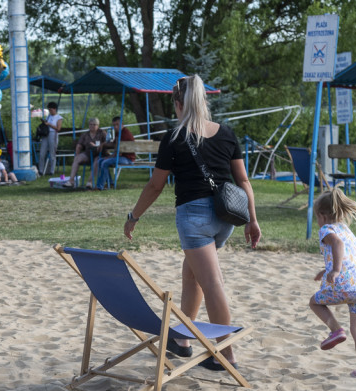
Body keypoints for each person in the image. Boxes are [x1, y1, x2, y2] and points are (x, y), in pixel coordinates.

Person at [123, 74, 260, 369]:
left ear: (178, 103)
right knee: (192, 274)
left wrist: (133, 217)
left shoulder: (173, 139)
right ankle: (183, 339)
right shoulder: (226, 133)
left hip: (194, 218)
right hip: (225, 218)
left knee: (211, 282)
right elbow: (244, 180)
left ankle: (225, 353)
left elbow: (155, 186)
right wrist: (252, 219)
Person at [309, 186, 356, 380]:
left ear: (322, 215)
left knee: (315, 302)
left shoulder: (327, 229)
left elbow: (337, 245)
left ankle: (336, 330)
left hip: (344, 285)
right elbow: (347, 256)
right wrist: (327, 269)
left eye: (317, 218)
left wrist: (335, 270)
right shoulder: (347, 229)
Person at [94, 116, 136, 190]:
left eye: (117, 124)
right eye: (114, 125)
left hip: (128, 158)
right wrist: (103, 144)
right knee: (100, 161)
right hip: (121, 156)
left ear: (122, 124)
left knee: (105, 162)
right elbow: (113, 144)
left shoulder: (125, 133)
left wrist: (110, 157)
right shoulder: (118, 133)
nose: (115, 127)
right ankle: (110, 183)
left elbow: (119, 153)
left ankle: (99, 186)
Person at [64, 117, 107, 188]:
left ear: (98, 125)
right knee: (77, 158)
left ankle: (89, 182)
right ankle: (71, 181)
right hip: (88, 154)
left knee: (97, 161)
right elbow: (79, 145)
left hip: (100, 153)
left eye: (94, 124)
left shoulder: (102, 133)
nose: (92, 126)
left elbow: (107, 143)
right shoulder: (85, 134)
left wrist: (98, 146)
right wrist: (77, 151)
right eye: (90, 124)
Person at [38, 101, 63, 176]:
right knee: (42, 153)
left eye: (51, 110)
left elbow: (58, 128)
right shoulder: (48, 116)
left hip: (53, 134)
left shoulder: (59, 118)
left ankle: (52, 170)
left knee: (52, 153)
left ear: (55, 109)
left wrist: (49, 124)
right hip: (46, 134)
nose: (50, 111)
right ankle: (41, 170)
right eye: (49, 110)